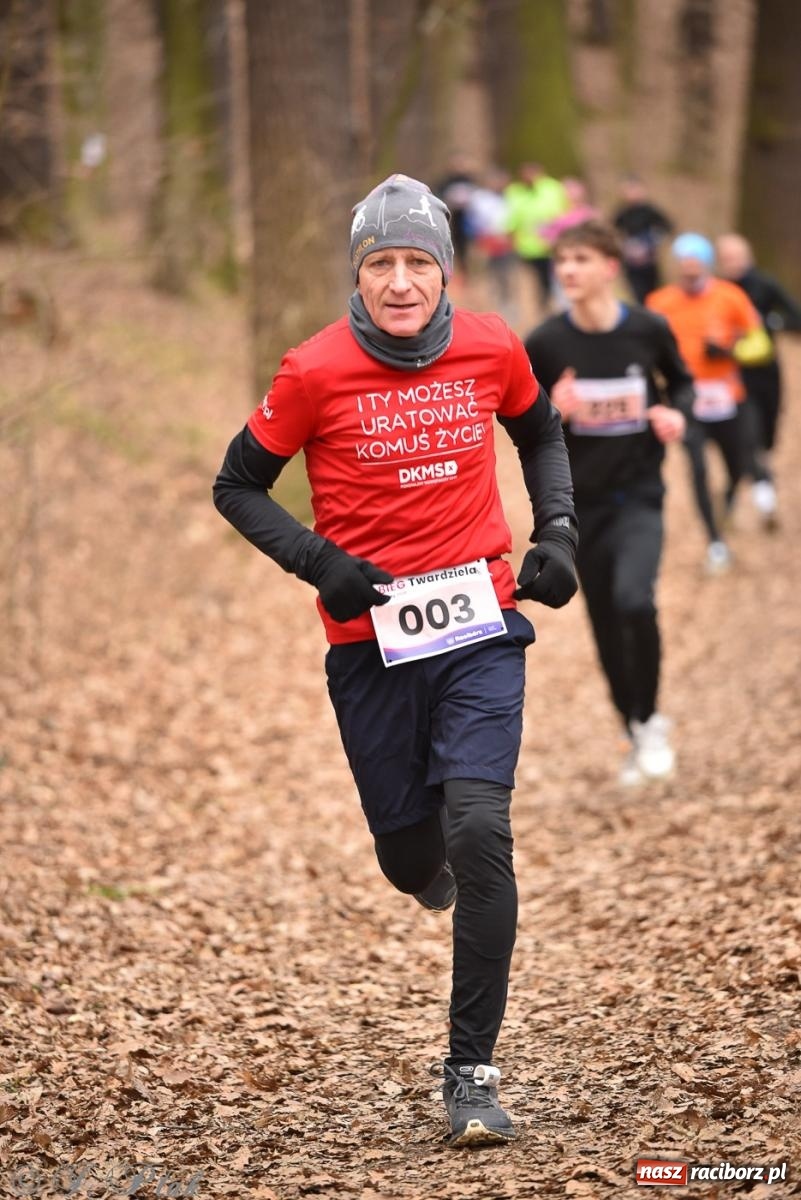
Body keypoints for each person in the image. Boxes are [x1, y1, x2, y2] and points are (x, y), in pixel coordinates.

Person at [213, 174, 578, 1147]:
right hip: (369, 647)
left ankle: (471, 1074)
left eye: (420, 262)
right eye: (384, 263)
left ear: (446, 270)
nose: (403, 281)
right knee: (410, 853)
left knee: (478, 825)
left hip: (478, 623)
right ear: (360, 273)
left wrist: (562, 532)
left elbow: (539, 431)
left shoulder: (493, 344)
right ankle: (422, 869)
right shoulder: (313, 370)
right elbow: (237, 486)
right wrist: (320, 564)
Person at [524, 220, 692, 786]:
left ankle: (650, 721)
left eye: (580, 260)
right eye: (561, 261)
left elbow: (682, 383)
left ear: (610, 268)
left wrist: (675, 413)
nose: (568, 270)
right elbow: (521, 424)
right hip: (580, 506)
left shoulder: (648, 329)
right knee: (601, 621)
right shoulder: (546, 343)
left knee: (634, 600)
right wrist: (553, 408)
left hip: (640, 494)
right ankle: (634, 725)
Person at [646, 233, 763, 574]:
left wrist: (730, 351)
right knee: (696, 469)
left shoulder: (731, 296)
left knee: (738, 464)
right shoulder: (659, 302)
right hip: (686, 398)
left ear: (707, 266)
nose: (690, 276)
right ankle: (714, 540)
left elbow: (759, 342)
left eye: (696, 269)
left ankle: (726, 502)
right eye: (685, 270)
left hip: (727, 396)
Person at [715, 233, 801, 529]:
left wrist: (769, 323)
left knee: (765, 439)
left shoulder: (765, 284)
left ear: (748, 256)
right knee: (746, 438)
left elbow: (795, 317)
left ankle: (753, 484)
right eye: (726, 259)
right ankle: (761, 501)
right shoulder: (719, 291)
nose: (732, 264)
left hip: (767, 372)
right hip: (732, 377)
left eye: (736, 257)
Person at [504, 162, 569, 313]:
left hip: (552, 246)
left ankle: (557, 306)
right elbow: (511, 219)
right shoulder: (515, 192)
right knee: (535, 281)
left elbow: (563, 215)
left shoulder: (553, 189)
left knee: (554, 279)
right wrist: (511, 238)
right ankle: (541, 307)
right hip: (527, 248)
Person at [612, 176, 673, 303]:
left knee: (654, 294)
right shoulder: (622, 212)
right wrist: (626, 246)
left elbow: (667, 227)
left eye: (633, 189)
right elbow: (613, 231)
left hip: (649, 261)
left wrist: (652, 241)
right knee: (637, 294)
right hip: (631, 262)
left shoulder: (650, 210)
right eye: (627, 190)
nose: (630, 193)